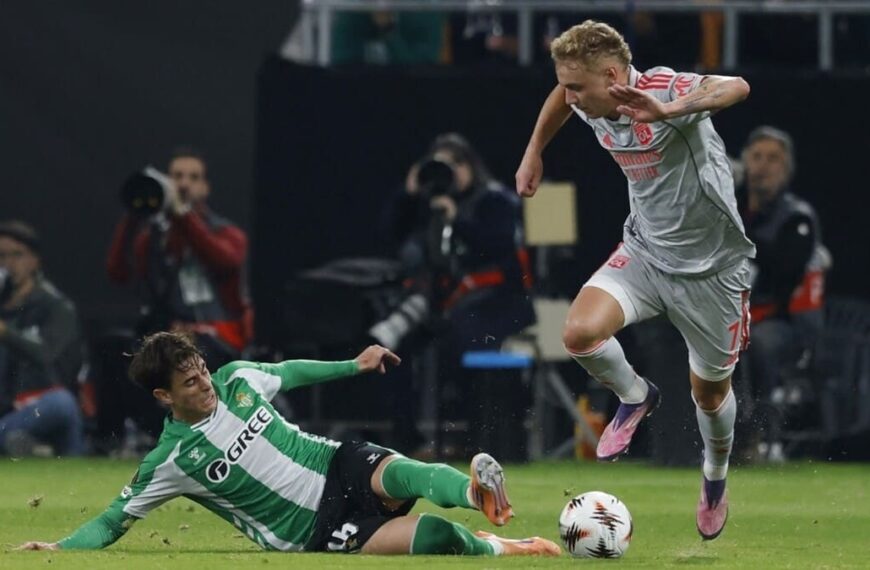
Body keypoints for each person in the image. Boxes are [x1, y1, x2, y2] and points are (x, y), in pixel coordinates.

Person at [515, 20, 754, 540]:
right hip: (645, 252)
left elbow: (736, 86)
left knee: (710, 395)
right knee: (578, 333)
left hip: (713, 270)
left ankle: (715, 476)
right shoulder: (586, 97)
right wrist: (535, 150)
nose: (570, 97)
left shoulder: (663, 89)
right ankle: (635, 394)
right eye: (567, 85)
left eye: (578, 86)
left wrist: (670, 112)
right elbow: (560, 96)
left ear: (611, 74)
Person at [16, 332, 560, 557]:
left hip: (332, 462)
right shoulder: (172, 459)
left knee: (404, 472)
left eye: (202, 370)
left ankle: (479, 493)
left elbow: (290, 373)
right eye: (189, 383)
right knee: (436, 537)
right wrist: (60, 551)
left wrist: (354, 363)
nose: (205, 383)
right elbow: (113, 520)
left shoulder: (237, 379)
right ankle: (505, 547)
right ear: (164, 396)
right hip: (311, 530)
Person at [371, 133, 535, 454]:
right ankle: (407, 442)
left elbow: (498, 248)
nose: (451, 173)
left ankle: (470, 442)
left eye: (457, 164)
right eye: (442, 165)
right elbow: (387, 234)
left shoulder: (494, 200)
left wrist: (456, 219)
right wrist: (408, 193)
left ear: (472, 165)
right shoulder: (425, 203)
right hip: (438, 306)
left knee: (456, 345)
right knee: (390, 353)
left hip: (494, 306)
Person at [99, 147, 253, 451]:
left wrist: (184, 216)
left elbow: (224, 260)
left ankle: (194, 438)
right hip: (169, 333)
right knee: (113, 349)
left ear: (205, 187)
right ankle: (111, 441)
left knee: (186, 352)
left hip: (217, 335)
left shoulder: (226, 232)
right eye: (177, 177)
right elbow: (118, 273)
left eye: (192, 178)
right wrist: (133, 216)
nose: (183, 184)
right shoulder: (153, 237)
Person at [739, 126, 830, 461]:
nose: (763, 166)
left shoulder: (797, 217)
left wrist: (736, 234)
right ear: (745, 163)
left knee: (759, 341)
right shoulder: (731, 208)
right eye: (757, 157)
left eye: (773, 159)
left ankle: (761, 431)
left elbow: (784, 272)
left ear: (787, 170)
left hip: (783, 320)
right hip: (732, 311)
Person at [0, 220, 85, 456]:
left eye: (17, 255)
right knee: (12, 434)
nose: (8, 264)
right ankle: (32, 449)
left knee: (62, 403)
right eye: (1, 256)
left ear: (34, 261)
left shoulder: (55, 306)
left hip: (45, 403)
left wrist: (6, 333)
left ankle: (33, 448)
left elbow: (47, 354)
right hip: (9, 412)